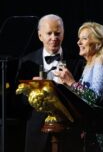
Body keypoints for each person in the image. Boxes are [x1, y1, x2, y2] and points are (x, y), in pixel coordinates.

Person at [17, 14, 85, 152]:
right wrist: (31, 90)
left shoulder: (77, 61)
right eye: (49, 33)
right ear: (40, 35)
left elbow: (82, 98)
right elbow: (18, 101)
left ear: (63, 34)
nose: (54, 38)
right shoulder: (26, 62)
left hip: (69, 132)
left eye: (57, 33)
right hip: (37, 132)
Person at [53, 21, 103, 152]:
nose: (78, 42)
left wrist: (71, 82)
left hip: (102, 131)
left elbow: (95, 98)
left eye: (84, 39)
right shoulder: (90, 63)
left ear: (99, 42)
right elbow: (83, 97)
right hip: (92, 128)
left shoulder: (101, 61)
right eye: (79, 39)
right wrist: (64, 85)